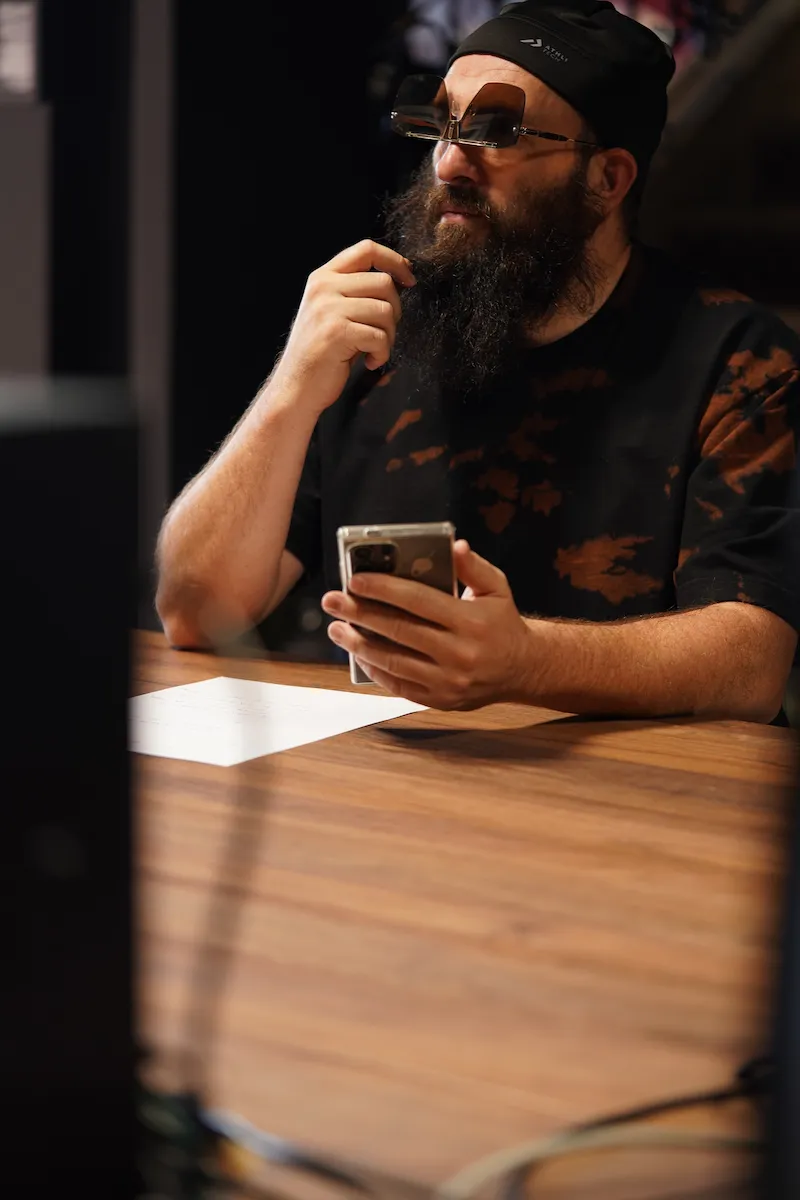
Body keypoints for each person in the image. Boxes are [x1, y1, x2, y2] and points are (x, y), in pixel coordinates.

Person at [156, 0, 799, 722]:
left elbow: (750, 664)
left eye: (497, 131)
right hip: (389, 792)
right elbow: (195, 612)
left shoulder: (738, 361)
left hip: (623, 806)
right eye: (443, 124)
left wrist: (525, 661)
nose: (450, 162)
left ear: (608, 179)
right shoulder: (380, 334)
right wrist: (290, 388)